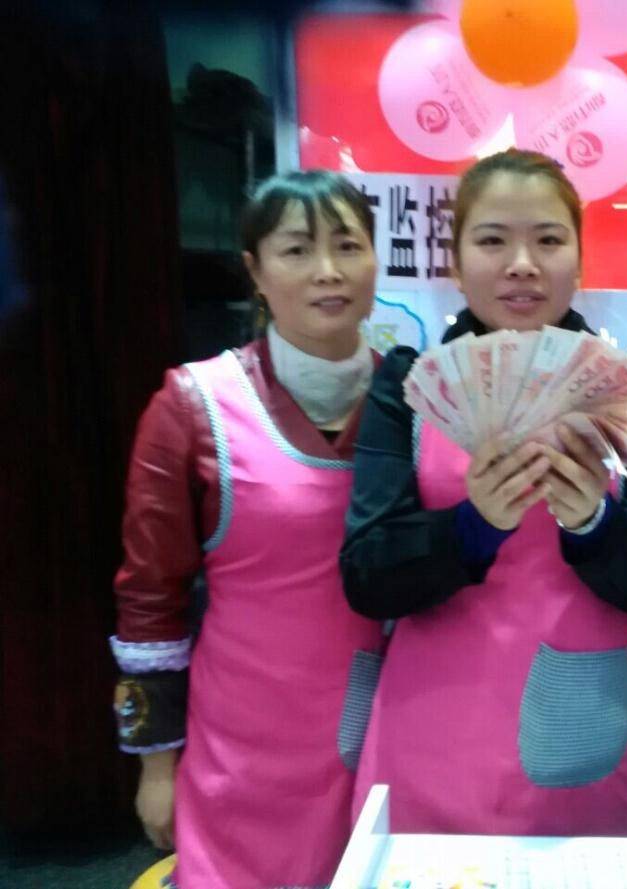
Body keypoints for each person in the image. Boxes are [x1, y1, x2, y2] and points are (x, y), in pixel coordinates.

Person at [339, 149, 627, 836]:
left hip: (578, 720)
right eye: (493, 240)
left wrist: (593, 522)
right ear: (455, 261)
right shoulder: (409, 385)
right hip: (430, 726)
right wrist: (471, 527)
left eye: (549, 240)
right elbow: (367, 577)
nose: (522, 264)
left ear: (580, 261)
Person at [110, 170, 384, 887]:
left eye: (347, 245)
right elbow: (150, 600)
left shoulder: (415, 398)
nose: (327, 271)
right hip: (244, 746)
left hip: (385, 734)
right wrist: (157, 767)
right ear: (255, 271)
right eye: (297, 250)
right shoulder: (193, 406)